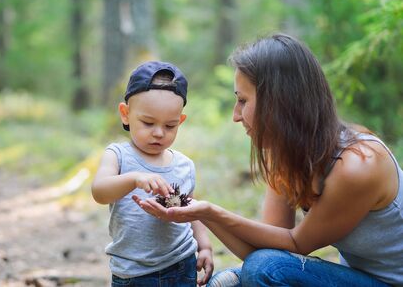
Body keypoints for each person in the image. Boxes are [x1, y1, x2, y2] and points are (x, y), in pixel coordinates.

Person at [133, 34, 403, 286]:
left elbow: (296, 245)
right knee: (229, 279)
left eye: (243, 101)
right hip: (354, 277)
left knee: (266, 269)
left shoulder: (357, 166)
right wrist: (201, 212)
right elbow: (260, 251)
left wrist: (211, 212)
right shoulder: (287, 154)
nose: (236, 115)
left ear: (278, 101)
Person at [91, 61, 214, 286]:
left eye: (170, 126)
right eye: (148, 123)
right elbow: (99, 192)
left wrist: (204, 246)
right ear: (125, 114)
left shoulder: (184, 164)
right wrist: (135, 178)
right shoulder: (118, 155)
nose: (159, 133)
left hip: (181, 262)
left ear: (181, 122)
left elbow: (191, 209)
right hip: (133, 271)